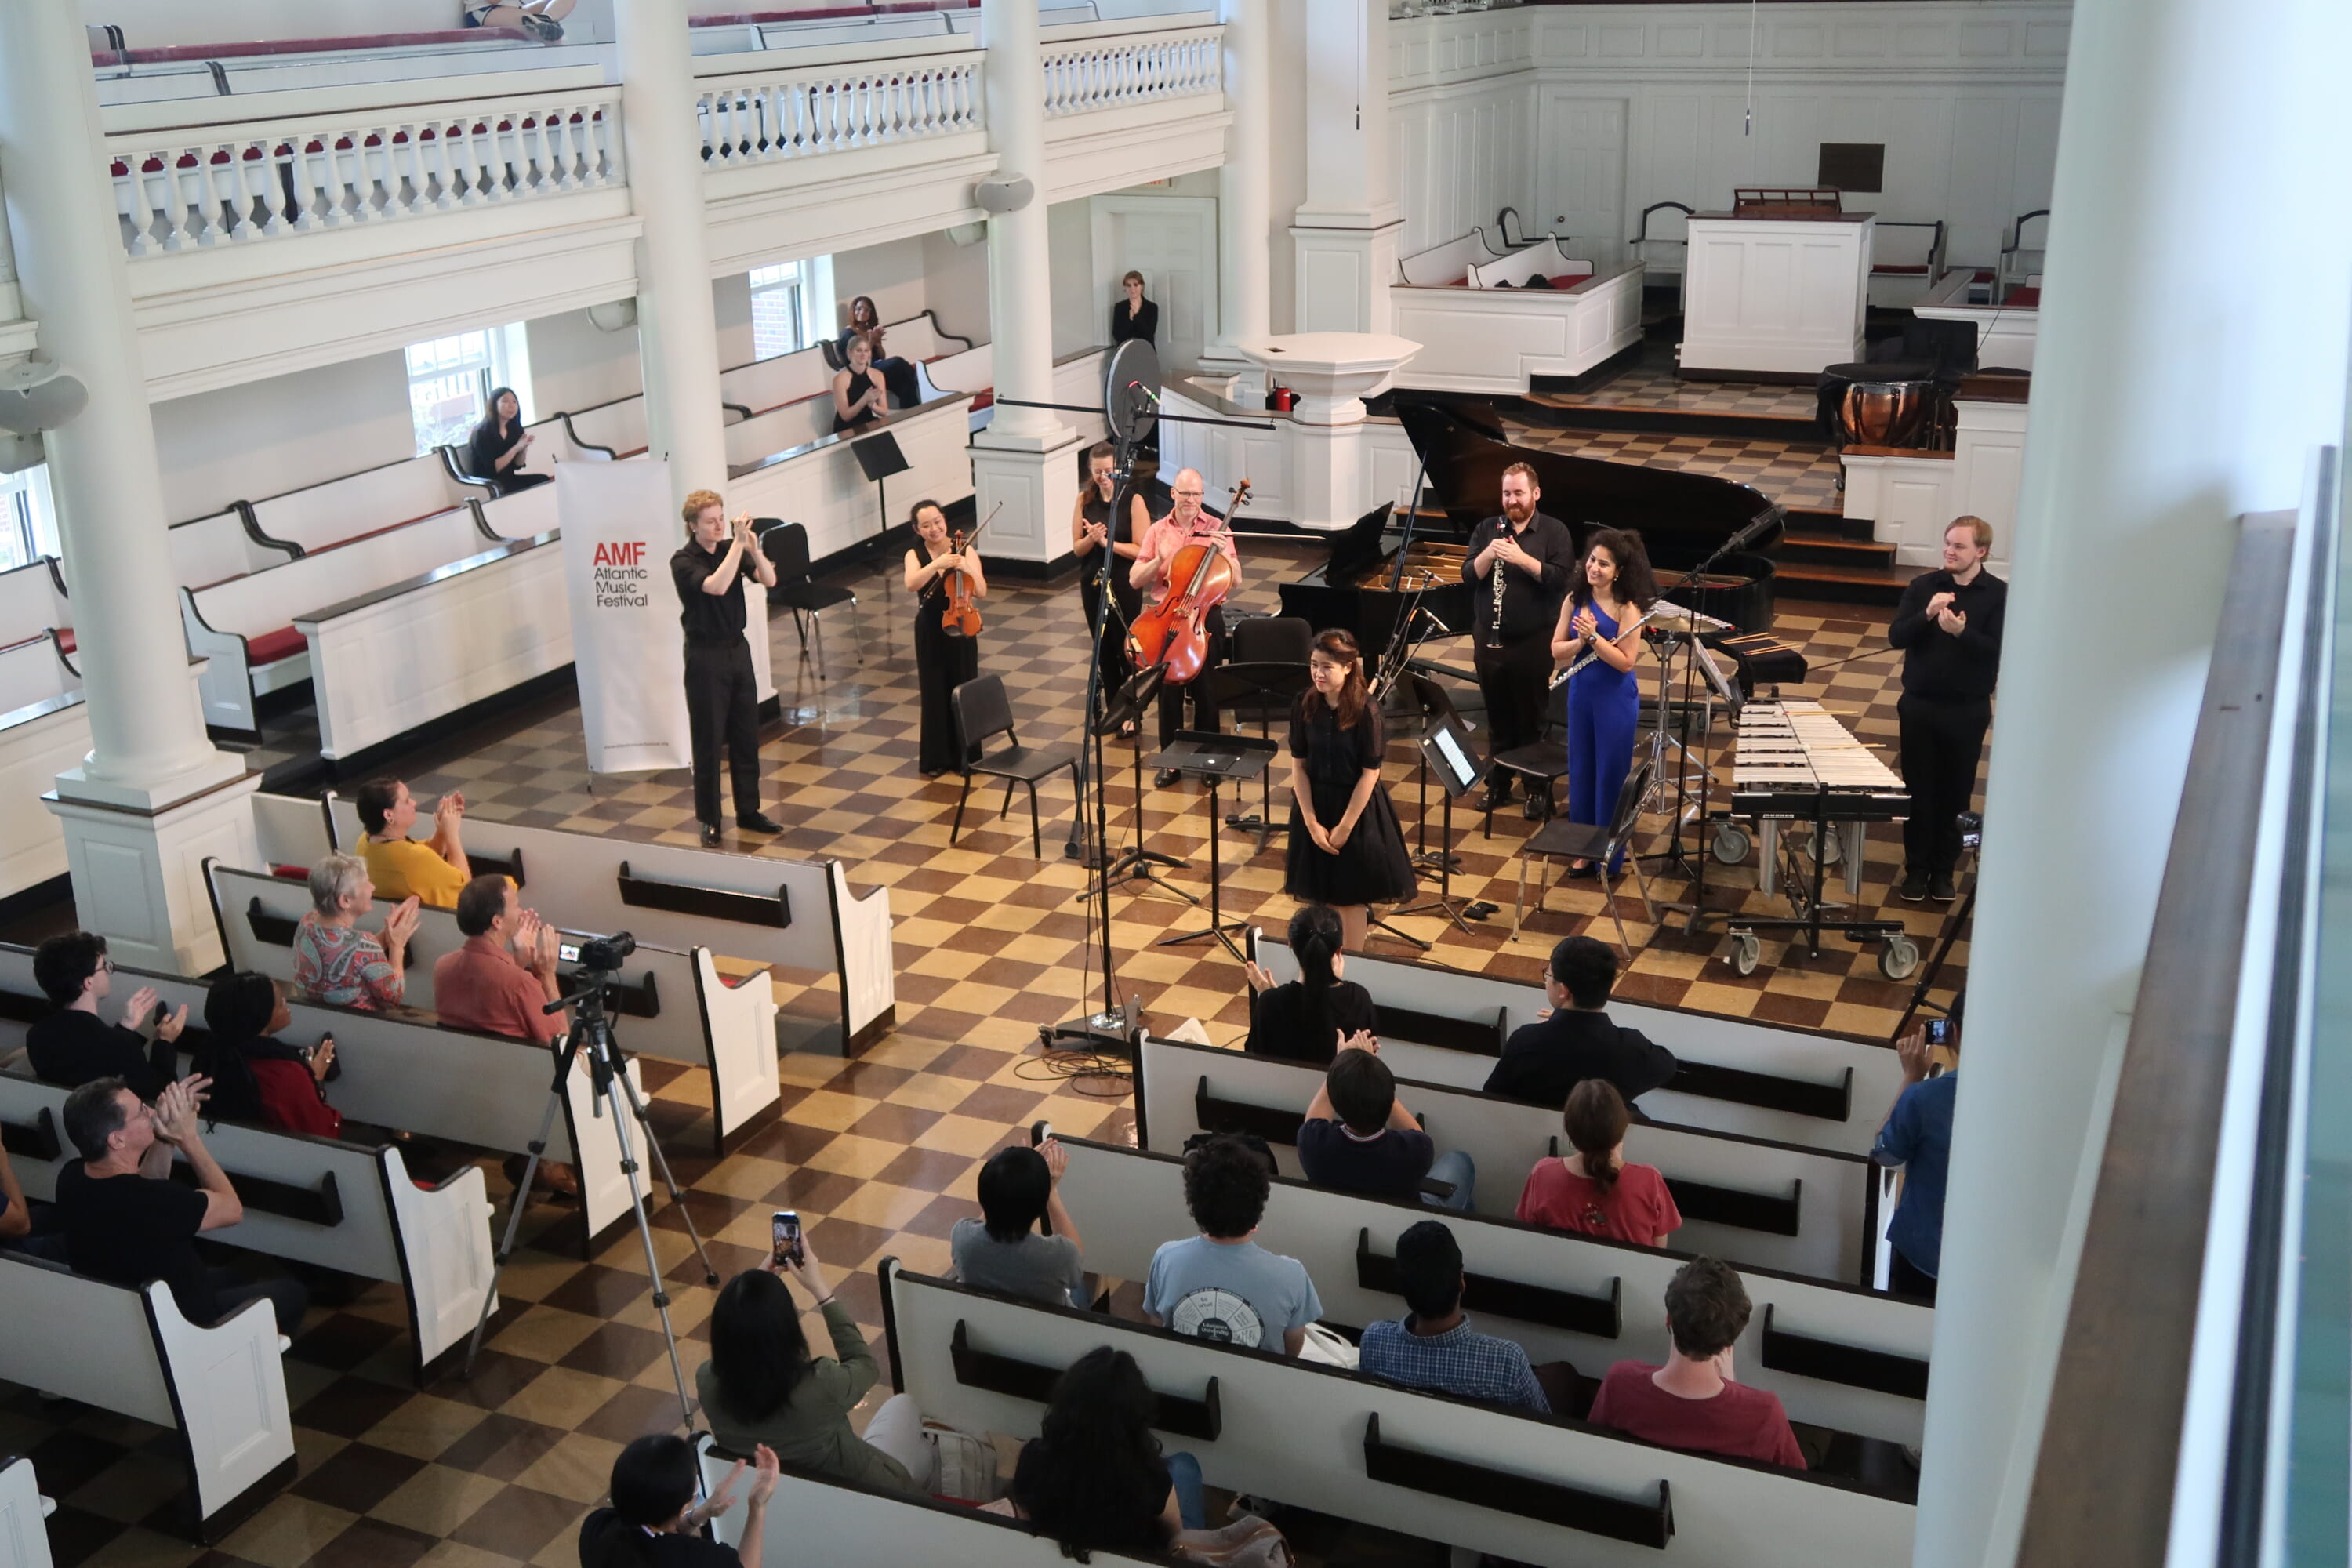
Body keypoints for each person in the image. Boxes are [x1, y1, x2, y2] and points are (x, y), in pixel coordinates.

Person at [56, 1076, 309, 1336]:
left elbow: (141, 1186)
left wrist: (166, 1137)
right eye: (143, 1112)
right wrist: (189, 1139)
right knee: (294, 1293)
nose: (153, 1113)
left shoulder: (71, 1177)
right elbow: (233, 1209)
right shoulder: (159, 1202)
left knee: (234, 1277)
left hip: (125, 1308)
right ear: (116, 1140)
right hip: (187, 1324)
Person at [696, 1242, 935, 1494]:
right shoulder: (822, 1384)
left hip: (778, 1500)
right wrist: (821, 1291)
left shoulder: (707, 1380)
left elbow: (748, 1340)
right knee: (905, 1405)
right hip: (863, 1493)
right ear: (787, 1329)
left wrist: (755, 1288)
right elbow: (865, 1364)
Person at [1588, 1257, 1805, 1469]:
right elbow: (1796, 1484)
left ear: (1669, 1321)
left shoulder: (1620, 1382)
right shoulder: (1764, 1413)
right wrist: (1733, 1386)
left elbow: (1595, 1450)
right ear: (1731, 1338)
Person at [1889, 516, 2006, 903]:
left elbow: (2000, 651)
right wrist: (1926, 615)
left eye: (1959, 546)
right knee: (1919, 790)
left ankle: (1943, 870)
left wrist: (1961, 634)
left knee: (1956, 792)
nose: (1950, 552)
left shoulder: (1999, 596)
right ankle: (1917, 868)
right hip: (1920, 707)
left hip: (1966, 711)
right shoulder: (1925, 587)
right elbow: (1896, 637)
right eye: (1948, 544)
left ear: (1981, 552)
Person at [1283, 628, 1416, 953]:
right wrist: (1312, 822)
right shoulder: (1304, 704)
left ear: (1348, 667)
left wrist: (1343, 828)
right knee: (1320, 897)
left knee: (1351, 900)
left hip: (1355, 810)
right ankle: (1321, 967)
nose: (1318, 673)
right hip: (1314, 806)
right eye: (1314, 664)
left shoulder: (1366, 710)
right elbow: (1299, 766)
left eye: (1326, 666)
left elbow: (1370, 774)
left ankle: (1352, 969)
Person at [1000, 1347, 1207, 1553]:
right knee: (1185, 1465)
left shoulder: (1032, 1458)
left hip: (1056, 1554)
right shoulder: (1152, 1477)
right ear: (1135, 1416)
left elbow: (1027, 1525)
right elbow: (1175, 1541)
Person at [1461, 462, 1576, 816]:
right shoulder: (1486, 529)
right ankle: (1498, 784)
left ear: (1535, 494)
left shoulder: (1554, 532)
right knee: (1497, 716)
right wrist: (1488, 553)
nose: (1512, 500)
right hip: (1490, 639)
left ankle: (1536, 789)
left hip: (1534, 640)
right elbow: (1468, 576)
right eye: (1507, 493)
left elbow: (1561, 580)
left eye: (1519, 493)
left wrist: (1523, 559)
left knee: (1531, 716)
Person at [1143, 1134, 1323, 1356]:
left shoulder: (1166, 1258)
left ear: (1194, 1205)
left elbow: (1156, 1324)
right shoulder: (1291, 1275)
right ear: (1259, 1206)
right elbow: (1292, 1348)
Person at [672, 490, 782, 847]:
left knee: (746, 735)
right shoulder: (684, 560)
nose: (719, 525)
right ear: (693, 526)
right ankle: (711, 819)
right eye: (710, 521)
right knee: (708, 740)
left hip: (738, 648)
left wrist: (753, 548)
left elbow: (769, 580)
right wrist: (737, 545)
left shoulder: (731, 548)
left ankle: (749, 811)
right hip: (705, 655)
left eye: (722, 518)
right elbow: (717, 586)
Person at [1552, 527, 1658, 874]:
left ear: (1619, 572)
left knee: (1611, 774)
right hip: (1582, 695)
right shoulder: (1574, 600)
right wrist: (1581, 642)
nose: (1594, 568)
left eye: (1604, 564)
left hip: (1615, 699)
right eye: (1592, 560)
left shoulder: (1630, 609)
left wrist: (1594, 637)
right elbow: (1556, 649)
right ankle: (1584, 850)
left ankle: (1610, 855)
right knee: (1582, 769)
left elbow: (1627, 661)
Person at [1359, 1220, 1550, 1413]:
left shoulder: (1374, 1341)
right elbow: (1542, 1423)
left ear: (1403, 1289)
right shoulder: (1508, 1361)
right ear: (1461, 1280)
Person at [1129, 468, 1241, 782]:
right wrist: (1157, 560)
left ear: (1202, 497)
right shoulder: (1157, 531)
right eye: (1185, 493)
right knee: (1169, 695)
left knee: (1207, 691)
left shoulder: (1218, 528)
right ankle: (1171, 761)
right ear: (1173, 494)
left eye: (1196, 494)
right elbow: (1134, 579)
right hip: (1168, 618)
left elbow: (1238, 577)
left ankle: (1209, 761)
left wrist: (1224, 553)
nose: (1191, 500)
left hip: (1204, 618)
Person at [1484, 935, 1677, 1109]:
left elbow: (1491, 1096)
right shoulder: (1631, 1047)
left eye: (1549, 975)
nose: (1546, 981)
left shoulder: (1526, 1041)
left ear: (1564, 991)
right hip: (1604, 1140)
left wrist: (1564, 1022)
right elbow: (1667, 1066)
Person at [1298, 1040, 1474, 1210]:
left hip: (1342, 1218)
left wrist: (1343, 1060)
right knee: (1460, 1160)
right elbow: (1417, 1133)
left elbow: (1317, 1113)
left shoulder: (1314, 1144)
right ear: (1389, 1097)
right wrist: (1370, 1076)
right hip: (1408, 1219)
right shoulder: (1416, 1151)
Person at [1871, 994, 1962, 1301]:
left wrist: (1912, 1077)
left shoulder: (1926, 1098)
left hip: (1925, 1255)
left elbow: (1885, 1152)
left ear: (1955, 1033)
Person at [1515, 1079, 1681, 1246]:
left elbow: (1529, 1239)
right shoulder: (1649, 1180)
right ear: (1622, 1128)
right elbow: (1659, 1252)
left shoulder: (1543, 1173)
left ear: (1570, 1131)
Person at [578, 1434, 779, 1568]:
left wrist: (697, 1517)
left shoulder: (596, 1527)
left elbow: (652, 1535)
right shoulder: (703, 1559)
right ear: (683, 1505)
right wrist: (757, 1506)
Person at [24, 931, 185, 1098]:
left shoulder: (37, 1037)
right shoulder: (118, 1045)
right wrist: (165, 1042)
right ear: (88, 983)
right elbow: (161, 1093)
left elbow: (92, 1059)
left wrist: (126, 1027)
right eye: (104, 966)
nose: (108, 971)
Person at [189, 972, 342, 1139]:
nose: (285, 1002)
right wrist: (317, 1081)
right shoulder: (286, 1076)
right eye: (278, 1003)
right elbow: (324, 1135)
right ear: (260, 1018)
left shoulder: (209, 1055)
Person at [949, 1139, 1087, 1308]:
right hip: (1047, 1331)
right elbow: (1077, 1258)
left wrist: (1016, 1173)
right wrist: (1051, 1191)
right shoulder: (1059, 1257)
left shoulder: (962, 1236)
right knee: (1083, 1286)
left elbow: (990, 1211)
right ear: (1039, 1207)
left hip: (987, 1325)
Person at [902, 498, 985, 778]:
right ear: (917, 529)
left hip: (962, 624)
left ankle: (968, 758)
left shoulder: (965, 548)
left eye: (937, 522)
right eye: (926, 526)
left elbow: (982, 590)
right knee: (934, 690)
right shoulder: (914, 554)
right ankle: (937, 758)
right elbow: (911, 583)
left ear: (944, 520)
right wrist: (937, 563)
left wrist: (965, 565)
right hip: (930, 629)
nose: (934, 529)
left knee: (964, 689)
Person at [434, 875, 563, 1045]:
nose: (522, 912)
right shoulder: (521, 983)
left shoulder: (442, 966)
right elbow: (561, 1044)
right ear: (497, 921)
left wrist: (520, 960)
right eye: (516, 906)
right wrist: (547, 975)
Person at [1240, 903, 1374, 1065]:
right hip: (1340, 1090)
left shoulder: (1270, 1003)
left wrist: (1272, 997)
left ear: (1290, 944)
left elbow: (1254, 1058)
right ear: (1339, 951)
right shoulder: (1359, 998)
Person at [1070, 441, 1148, 720]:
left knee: (1125, 649)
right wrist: (1091, 540)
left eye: (1108, 470)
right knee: (1103, 649)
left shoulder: (1133, 500)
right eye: (1098, 471)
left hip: (1124, 580)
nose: (1103, 476)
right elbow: (1077, 549)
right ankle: (1115, 714)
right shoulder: (1084, 500)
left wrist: (1107, 542)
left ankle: (1132, 714)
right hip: (1093, 581)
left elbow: (1142, 550)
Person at [292, 853, 421, 1011]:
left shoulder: (307, 922)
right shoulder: (362, 943)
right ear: (345, 900)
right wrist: (397, 946)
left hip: (316, 1017)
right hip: (359, 1027)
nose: (372, 887)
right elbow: (393, 997)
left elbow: (351, 953)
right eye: (366, 883)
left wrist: (387, 934)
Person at [354, 777, 471, 909]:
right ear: (388, 815)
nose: (414, 803)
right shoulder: (413, 857)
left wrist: (442, 831)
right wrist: (452, 834)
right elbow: (465, 890)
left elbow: (427, 864)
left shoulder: (364, 842)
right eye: (406, 801)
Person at [837, 295, 922, 409]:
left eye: (866, 310)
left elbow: (882, 356)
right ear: (853, 311)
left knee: (905, 383)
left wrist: (878, 343)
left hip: (876, 366)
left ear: (871, 313)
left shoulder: (870, 330)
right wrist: (871, 342)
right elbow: (858, 358)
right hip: (863, 371)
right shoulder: (848, 333)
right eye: (858, 309)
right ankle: (921, 380)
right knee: (898, 361)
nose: (862, 312)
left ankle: (912, 412)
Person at [466, 387, 546, 494]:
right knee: (516, 490)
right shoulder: (481, 433)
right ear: (494, 405)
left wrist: (523, 448)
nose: (511, 406)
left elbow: (518, 465)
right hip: (490, 485)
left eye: (514, 402)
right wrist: (516, 447)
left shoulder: (515, 429)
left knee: (543, 480)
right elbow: (494, 469)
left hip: (509, 479)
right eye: (505, 401)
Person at [830, 331, 890, 434]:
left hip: (867, 421)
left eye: (866, 351)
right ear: (850, 353)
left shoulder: (878, 375)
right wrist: (865, 399)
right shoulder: (840, 379)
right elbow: (845, 416)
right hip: (846, 427)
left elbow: (884, 411)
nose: (863, 354)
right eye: (859, 351)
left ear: (870, 353)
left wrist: (873, 406)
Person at [464, 0, 572, 42]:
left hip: (519, 9)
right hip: (486, 11)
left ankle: (545, 19)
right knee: (523, 16)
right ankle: (539, 25)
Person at [1110, 270, 1159, 348]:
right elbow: (1118, 336)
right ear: (1125, 287)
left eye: (1136, 285)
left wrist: (1136, 316)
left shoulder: (1152, 307)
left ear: (1142, 286)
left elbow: (1148, 334)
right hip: (1125, 351)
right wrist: (1130, 320)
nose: (1132, 289)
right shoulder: (1120, 307)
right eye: (1129, 285)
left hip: (1146, 351)